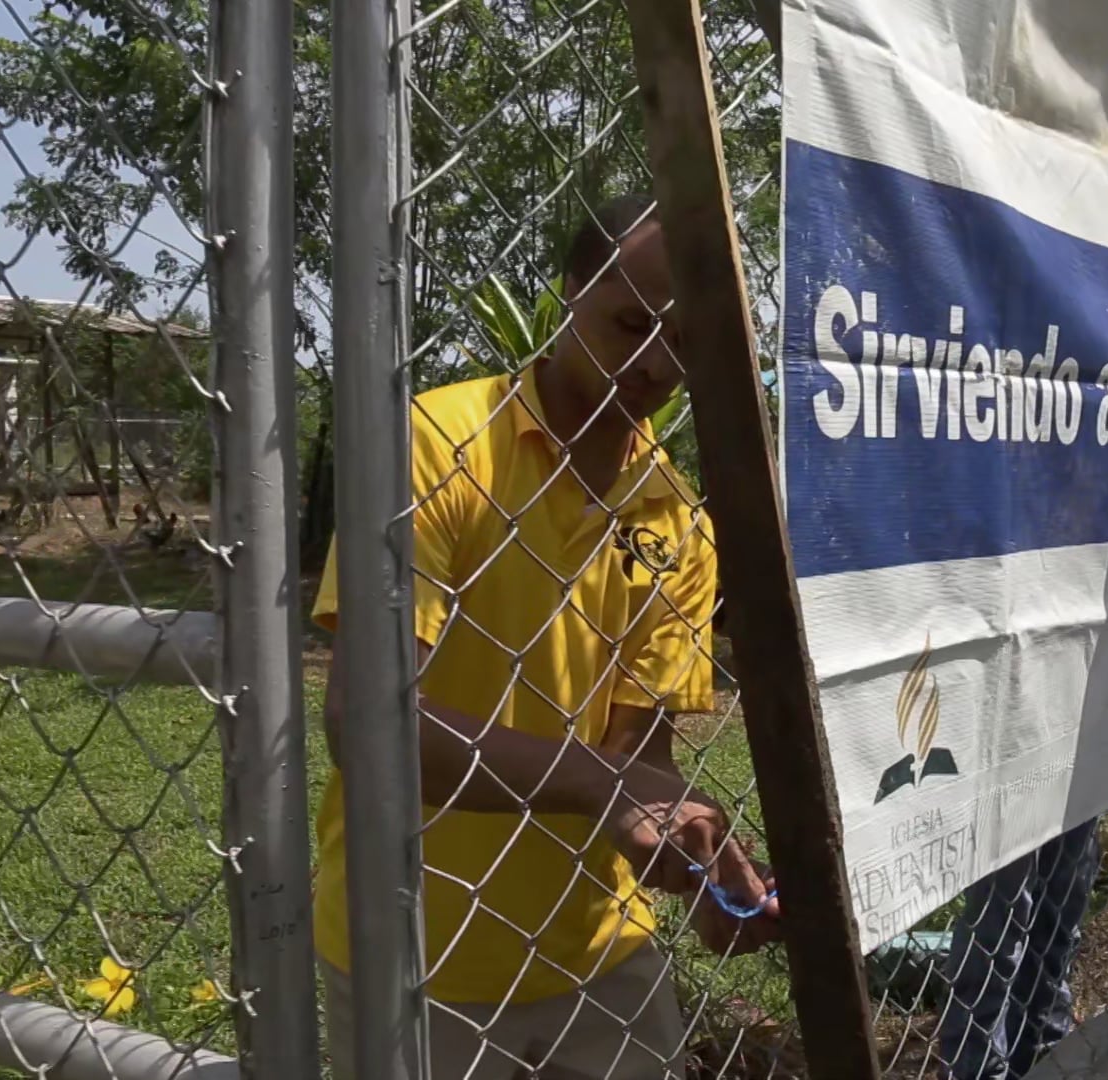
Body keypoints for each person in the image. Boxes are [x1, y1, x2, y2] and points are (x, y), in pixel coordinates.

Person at [313, 194, 779, 1080]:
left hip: (601, 953)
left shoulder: (678, 519)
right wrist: (607, 784)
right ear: (569, 293)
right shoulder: (436, 443)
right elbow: (369, 724)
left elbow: (638, 755)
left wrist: (699, 852)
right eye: (631, 322)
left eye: (682, 340)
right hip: (416, 951)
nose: (652, 360)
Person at [937, 819, 1100, 1080]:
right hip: (1005, 791)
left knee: (1058, 925)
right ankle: (978, 1070)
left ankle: (1046, 1059)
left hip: (1079, 784)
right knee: (997, 927)